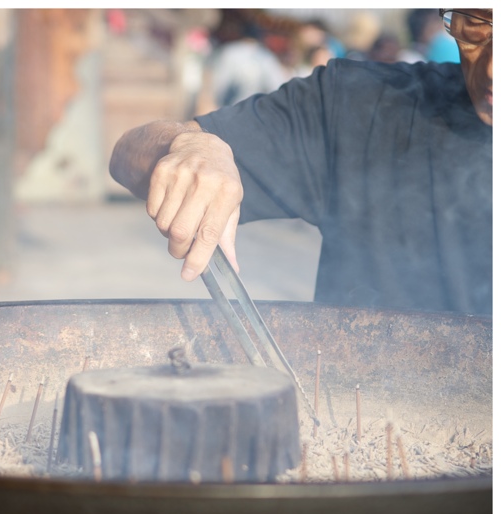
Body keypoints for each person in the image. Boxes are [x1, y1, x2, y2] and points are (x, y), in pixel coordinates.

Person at [109, 8, 492, 316]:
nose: (492, 68)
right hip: (357, 400)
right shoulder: (358, 103)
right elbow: (128, 153)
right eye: (477, 23)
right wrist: (192, 145)